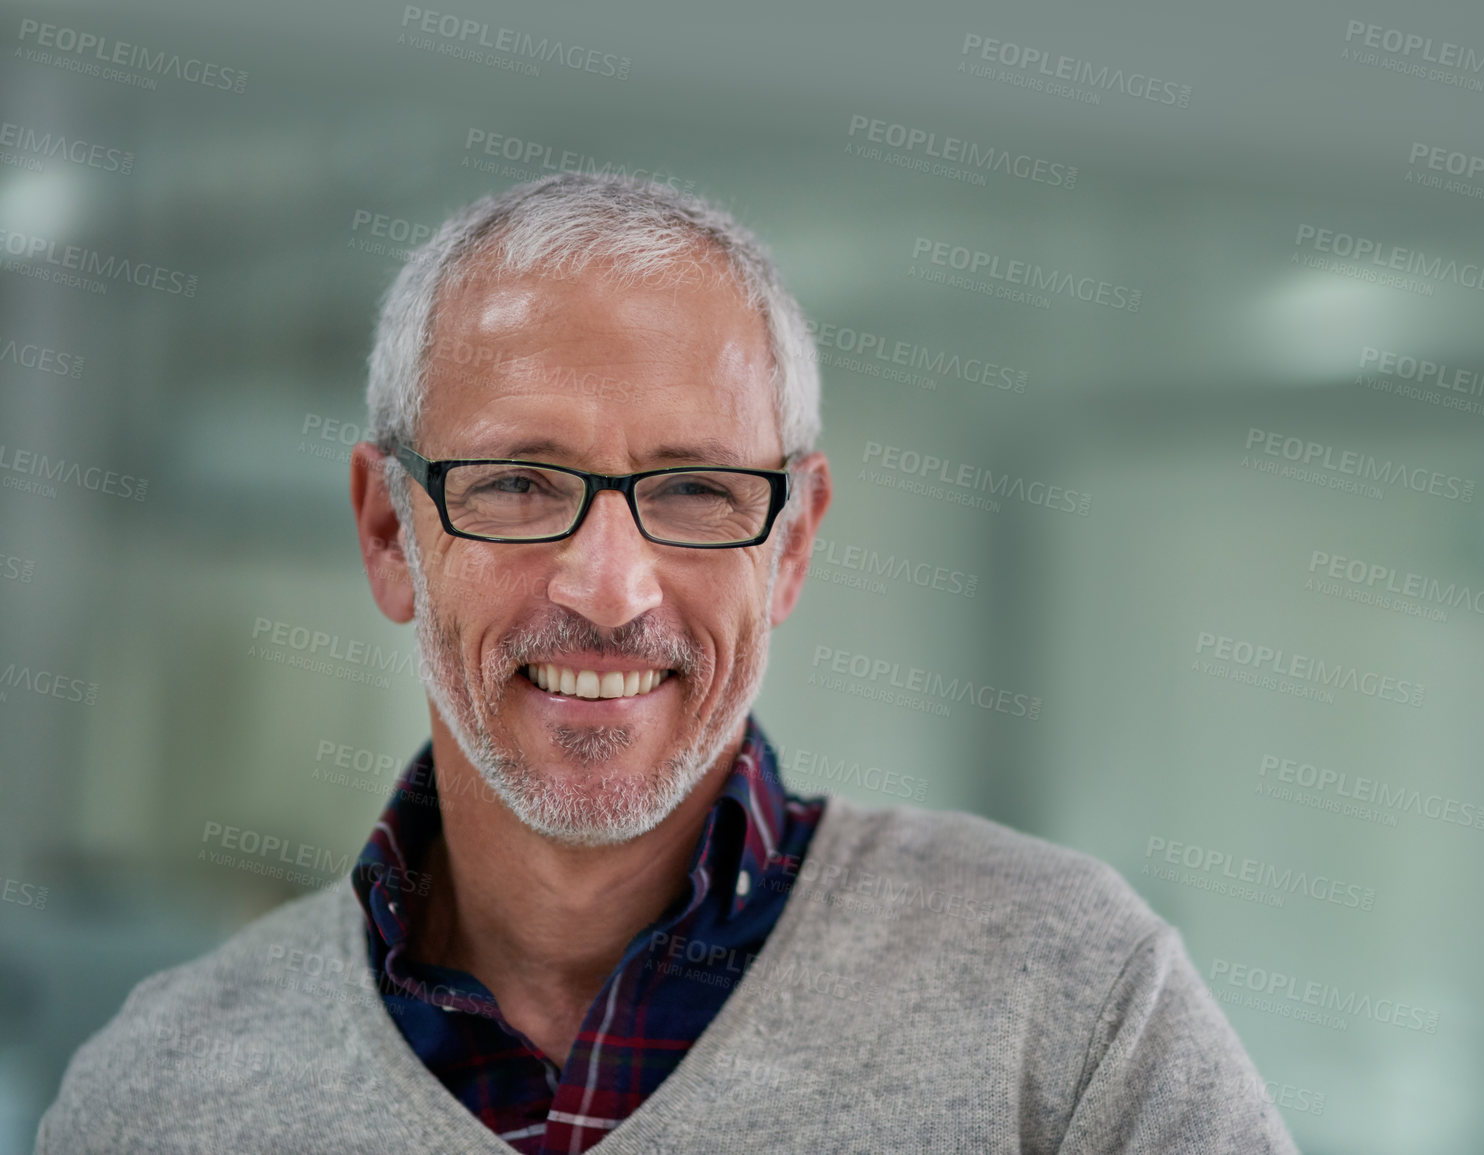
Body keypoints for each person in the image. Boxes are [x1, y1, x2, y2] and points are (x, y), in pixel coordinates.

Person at [37, 173, 1299, 1153]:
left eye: (695, 489)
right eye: (522, 483)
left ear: (791, 546)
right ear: (388, 534)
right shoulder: (162, 1091)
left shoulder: (1063, 996)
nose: (611, 588)